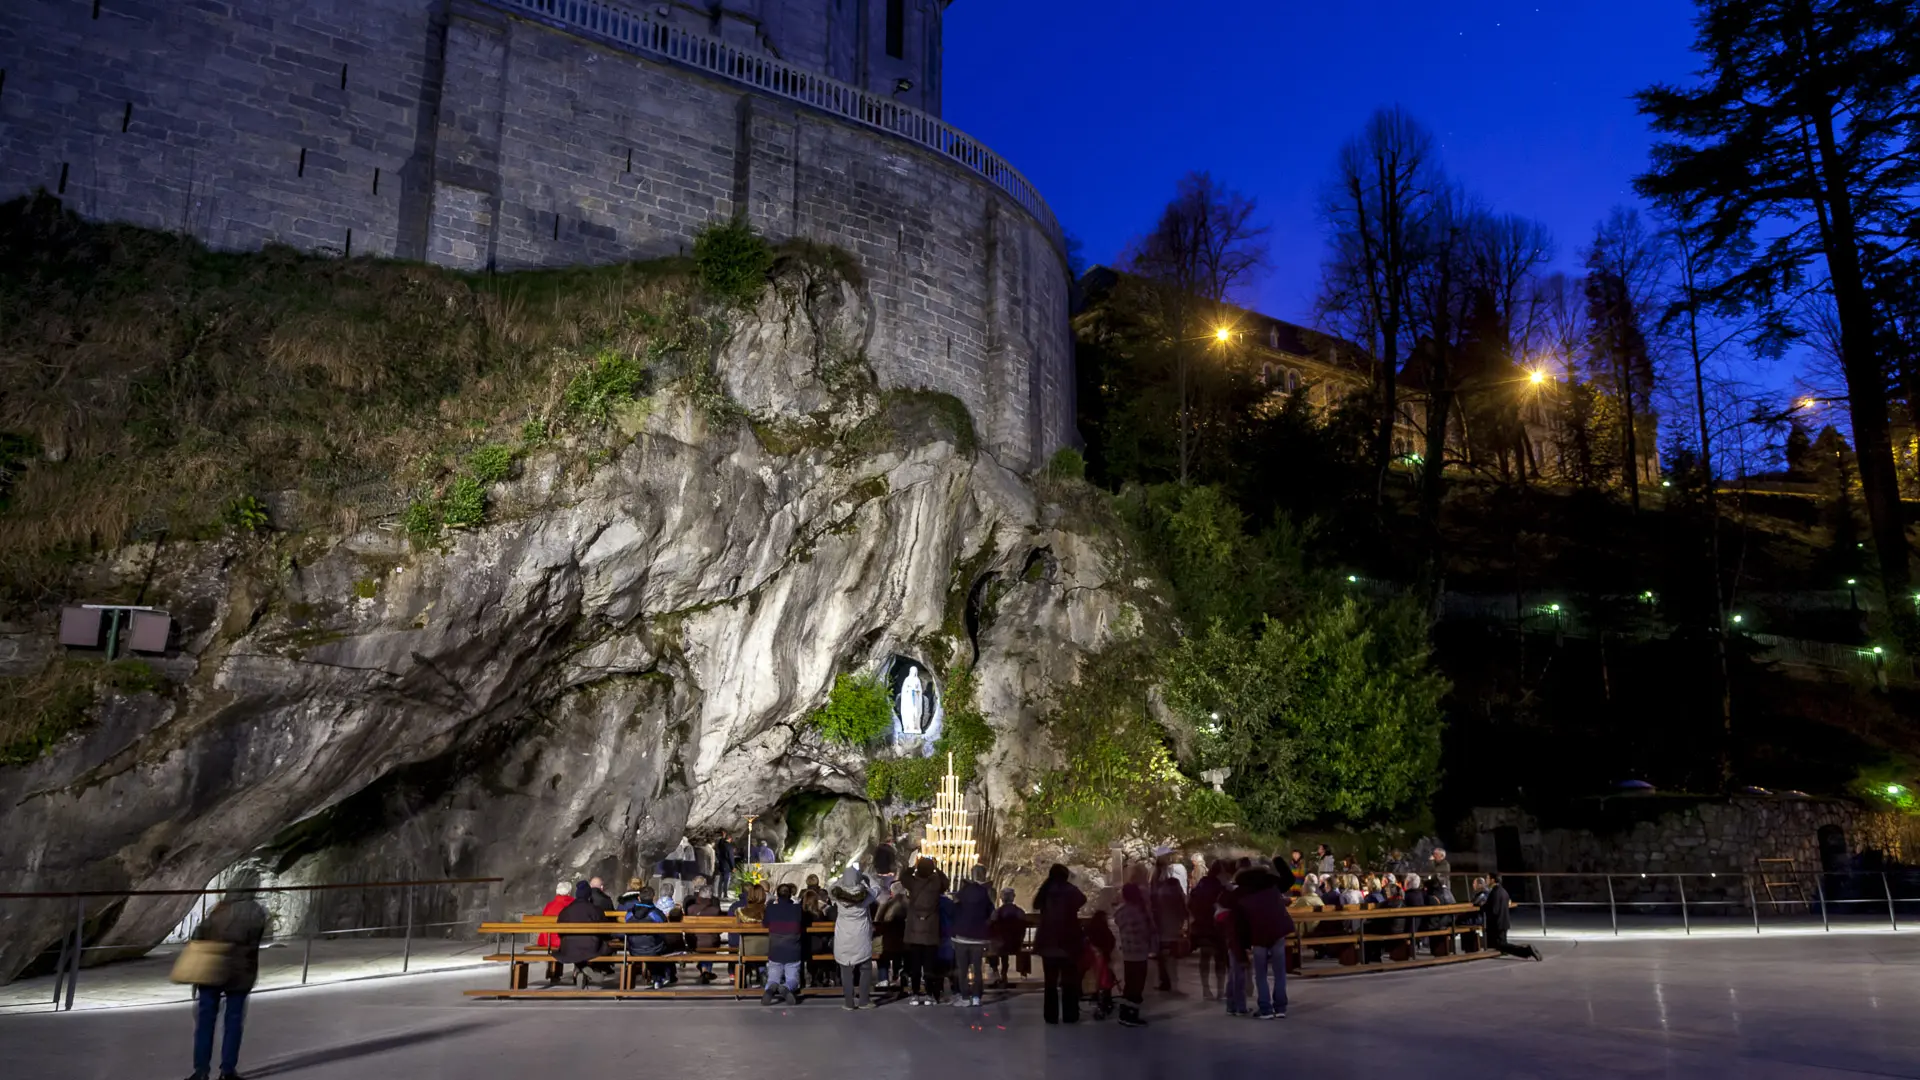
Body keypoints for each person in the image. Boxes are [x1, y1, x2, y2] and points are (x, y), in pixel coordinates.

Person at [184, 889, 267, 1080]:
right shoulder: (255, 911)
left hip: (212, 970)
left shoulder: (219, 909)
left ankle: (201, 1071)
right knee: (234, 1022)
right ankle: (227, 1071)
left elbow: (198, 934)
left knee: (205, 1022)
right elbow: (258, 939)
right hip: (240, 973)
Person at [1231, 861, 1292, 1019]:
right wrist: (1277, 859)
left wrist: (1244, 946)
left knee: (1261, 973)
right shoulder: (1273, 888)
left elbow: (1241, 924)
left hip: (1259, 936)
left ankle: (1265, 1008)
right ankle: (1280, 1008)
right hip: (1278, 932)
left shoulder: (1243, 895)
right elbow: (1289, 878)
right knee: (1279, 972)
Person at [1032, 864, 1086, 1024]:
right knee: (1069, 980)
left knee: (1050, 981)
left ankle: (1051, 1015)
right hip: (1068, 941)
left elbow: (1036, 905)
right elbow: (1082, 900)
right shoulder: (1070, 890)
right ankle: (1070, 1014)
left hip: (1048, 942)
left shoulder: (1046, 890)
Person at [902, 856, 948, 1004]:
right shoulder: (935, 883)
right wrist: (937, 869)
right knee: (929, 965)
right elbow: (945, 883)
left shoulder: (913, 884)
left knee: (915, 965)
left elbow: (903, 876)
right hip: (930, 930)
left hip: (914, 931)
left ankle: (915, 994)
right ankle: (929, 994)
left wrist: (913, 867)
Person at [830, 866, 876, 1010]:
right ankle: (863, 1000)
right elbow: (877, 888)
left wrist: (841, 880)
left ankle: (848, 1002)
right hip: (860, 935)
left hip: (844, 935)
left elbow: (830, 887)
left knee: (846, 969)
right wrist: (866, 877)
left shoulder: (837, 896)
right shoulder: (865, 896)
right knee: (865, 967)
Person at [1186, 858, 1230, 1001]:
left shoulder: (1202, 883)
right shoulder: (1220, 886)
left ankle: (1206, 989)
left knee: (1204, 958)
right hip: (1216, 927)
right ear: (1222, 872)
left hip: (1200, 926)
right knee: (1220, 960)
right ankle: (1221, 990)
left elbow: (1191, 902)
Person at [553, 881, 611, 988]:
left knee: (576, 947)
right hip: (592, 948)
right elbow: (606, 930)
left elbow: (559, 931)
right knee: (599, 946)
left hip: (569, 948)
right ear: (589, 896)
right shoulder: (596, 910)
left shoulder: (566, 911)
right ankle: (584, 969)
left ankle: (580, 969)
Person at [1113, 883, 1155, 1028]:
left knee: (1130, 983)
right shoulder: (1140, 911)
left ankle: (1125, 1012)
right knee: (1137, 984)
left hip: (1127, 951)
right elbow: (1148, 931)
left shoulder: (1120, 912)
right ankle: (1130, 1015)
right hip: (1140, 951)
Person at [951, 865, 994, 1006]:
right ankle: (976, 997)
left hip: (962, 935)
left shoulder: (964, 891)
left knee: (962, 968)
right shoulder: (987, 892)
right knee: (977, 969)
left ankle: (964, 997)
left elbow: (955, 907)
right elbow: (991, 913)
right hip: (979, 936)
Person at [762, 882, 805, 1004]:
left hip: (775, 949)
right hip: (793, 950)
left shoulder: (771, 908)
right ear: (791, 894)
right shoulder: (797, 909)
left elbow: (765, 923)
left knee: (773, 978)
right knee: (793, 979)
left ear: (777, 895)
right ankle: (786, 987)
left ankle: (770, 988)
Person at [1150, 854, 1187, 992]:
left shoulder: (1158, 886)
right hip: (1170, 922)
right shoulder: (1172, 884)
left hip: (1163, 922)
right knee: (1169, 953)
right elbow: (1182, 903)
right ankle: (1170, 980)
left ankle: (1167, 981)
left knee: (1164, 953)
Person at [622, 886, 671, 989]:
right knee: (664, 946)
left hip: (634, 949)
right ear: (653, 898)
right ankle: (659, 977)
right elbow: (665, 928)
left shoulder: (630, 913)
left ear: (639, 898)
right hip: (654, 949)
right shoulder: (655, 913)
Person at [1481, 875, 1541, 961]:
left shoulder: (1495, 892)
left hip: (1496, 924)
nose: (1486, 881)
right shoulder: (1503, 891)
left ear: (1492, 880)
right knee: (1501, 945)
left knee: (1501, 945)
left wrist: (1483, 907)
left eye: (1487, 879)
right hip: (1504, 922)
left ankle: (1527, 950)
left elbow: (1494, 910)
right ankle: (1526, 950)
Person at [683, 883, 722, 983]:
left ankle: (704, 970)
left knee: (705, 943)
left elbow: (686, 928)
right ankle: (706, 970)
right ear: (710, 896)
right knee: (711, 943)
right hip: (711, 943)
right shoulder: (715, 910)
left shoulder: (690, 909)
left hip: (693, 942)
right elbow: (720, 930)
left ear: (699, 895)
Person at [1084, 909, 1118, 1021]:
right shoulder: (1105, 931)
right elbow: (1111, 942)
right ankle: (1104, 1003)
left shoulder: (1089, 930)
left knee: (1097, 981)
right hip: (1102, 959)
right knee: (1104, 981)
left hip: (1090, 960)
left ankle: (1098, 1000)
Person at [988, 887, 1026, 987]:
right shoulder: (1019, 911)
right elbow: (1023, 928)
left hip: (1001, 945)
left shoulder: (997, 912)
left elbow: (990, 926)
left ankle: (996, 970)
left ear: (1001, 898)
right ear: (1013, 898)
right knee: (1001, 946)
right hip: (1015, 944)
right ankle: (1007, 972)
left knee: (992, 947)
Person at [876, 881, 909, 993]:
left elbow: (878, 922)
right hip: (907, 942)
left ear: (892, 892)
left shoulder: (886, 905)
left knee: (882, 956)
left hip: (888, 942)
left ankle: (883, 978)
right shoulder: (910, 904)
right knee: (904, 956)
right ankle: (903, 974)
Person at [714, 832, 735, 899]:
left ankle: (719, 894)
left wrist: (723, 837)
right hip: (727, 866)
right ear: (730, 839)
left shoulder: (721, 845)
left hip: (721, 865)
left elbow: (720, 844)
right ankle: (725, 894)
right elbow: (730, 857)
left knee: (721, 881)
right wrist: (733, 867)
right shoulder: (729, 846)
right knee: (726, 881)